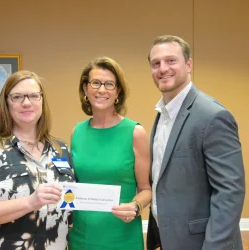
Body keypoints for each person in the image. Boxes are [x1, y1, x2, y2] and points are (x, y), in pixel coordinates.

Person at [146, 35, 245, 250]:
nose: (163, 69)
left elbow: (230, 192)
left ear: (189, 65)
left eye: (171, 60)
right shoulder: (162, 114)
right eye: (156, 63)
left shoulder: (212, 115)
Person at [0, 70, 75, 250]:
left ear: (42, 100)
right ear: (6, 103)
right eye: (17, 97)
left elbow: (71, 205)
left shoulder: (61, 149)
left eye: (34, 96)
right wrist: (30, 202)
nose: (26, 102)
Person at [68, 56, 151, 250]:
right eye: (95, 83)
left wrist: (136, 207)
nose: (102, 90)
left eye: (109, 84)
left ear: (118, 91)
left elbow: (146, 189)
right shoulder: (77, 132)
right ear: (85, 89)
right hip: (82, 236)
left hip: (122, 236)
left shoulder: (135, 132)